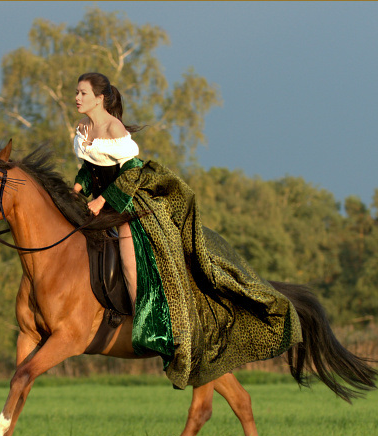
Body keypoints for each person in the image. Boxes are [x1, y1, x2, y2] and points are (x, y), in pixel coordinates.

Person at [71, 72, 303, 389]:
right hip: (98, 203)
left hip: (125, 202)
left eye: (82, 93)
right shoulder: (83, 129)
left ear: (99, 98)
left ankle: (144, 314)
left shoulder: (115, 129)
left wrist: (99, 200)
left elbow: (132, 171)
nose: (77, 98)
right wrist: (76, 189)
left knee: (128, 253)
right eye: (77, 92)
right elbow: (89, 166)